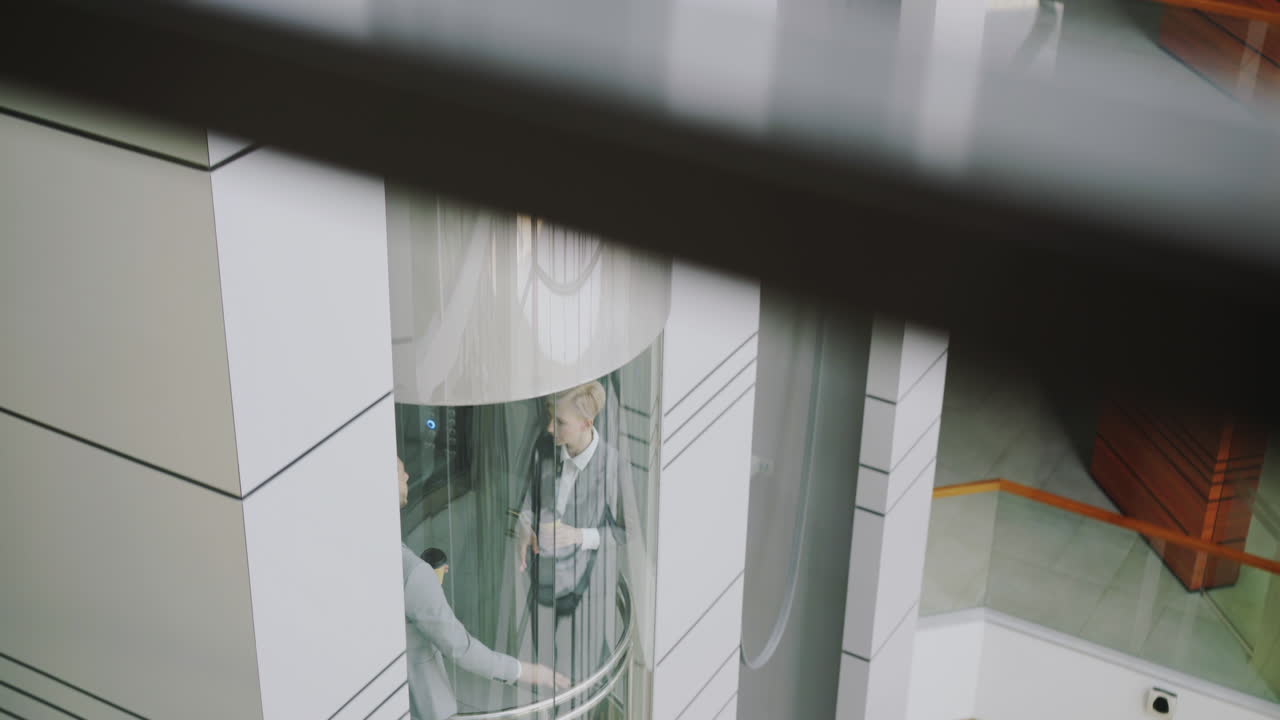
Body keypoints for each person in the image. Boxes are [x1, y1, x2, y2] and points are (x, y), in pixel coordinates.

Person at [398, 458, 566, 720]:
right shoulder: (413, 572)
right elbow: (461, 649)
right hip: (422, 702)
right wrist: (527, 672)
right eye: (399, 472)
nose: (407, 475)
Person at [513, 380, 627, 685]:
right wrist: (525, 527)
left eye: (560, 421)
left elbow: (623, 534)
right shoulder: (546, 447)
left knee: (581, 672)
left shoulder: (613, 465)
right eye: (550, 416)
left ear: (586, 423)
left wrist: (579, 536)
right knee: (545, 670)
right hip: (544, 581)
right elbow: (530, 501)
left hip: (585, 590)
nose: (550, 427)